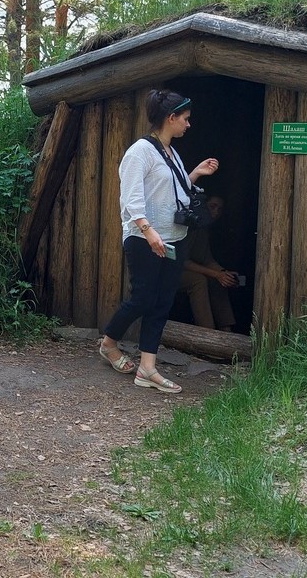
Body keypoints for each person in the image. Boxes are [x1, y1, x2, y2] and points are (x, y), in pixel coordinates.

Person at [96, 89, 219, 394]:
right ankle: (109, 343)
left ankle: (147, 369)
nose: (188, 125)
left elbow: (171, 193)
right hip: (144, 239)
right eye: (185, 119)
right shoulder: (140, 151)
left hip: (175, 239)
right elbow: (131, 198)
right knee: (142, 298)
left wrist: (194, 175)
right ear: (171, 118)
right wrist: (148, 232)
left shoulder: (171, 152)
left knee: (162, 302)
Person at [179, 196, 238, 332]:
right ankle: (207, 333)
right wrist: (216, 274)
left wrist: (223, 273)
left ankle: (226, 331)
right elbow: (184, 261)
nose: (216, 212)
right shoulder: (191, 225)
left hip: (187, 269)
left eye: (220, 209)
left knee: (218, 280)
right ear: (203, 205)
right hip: (169, 272)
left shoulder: (204, 228)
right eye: (212, 206)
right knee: (198, 280)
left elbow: (207, 259)